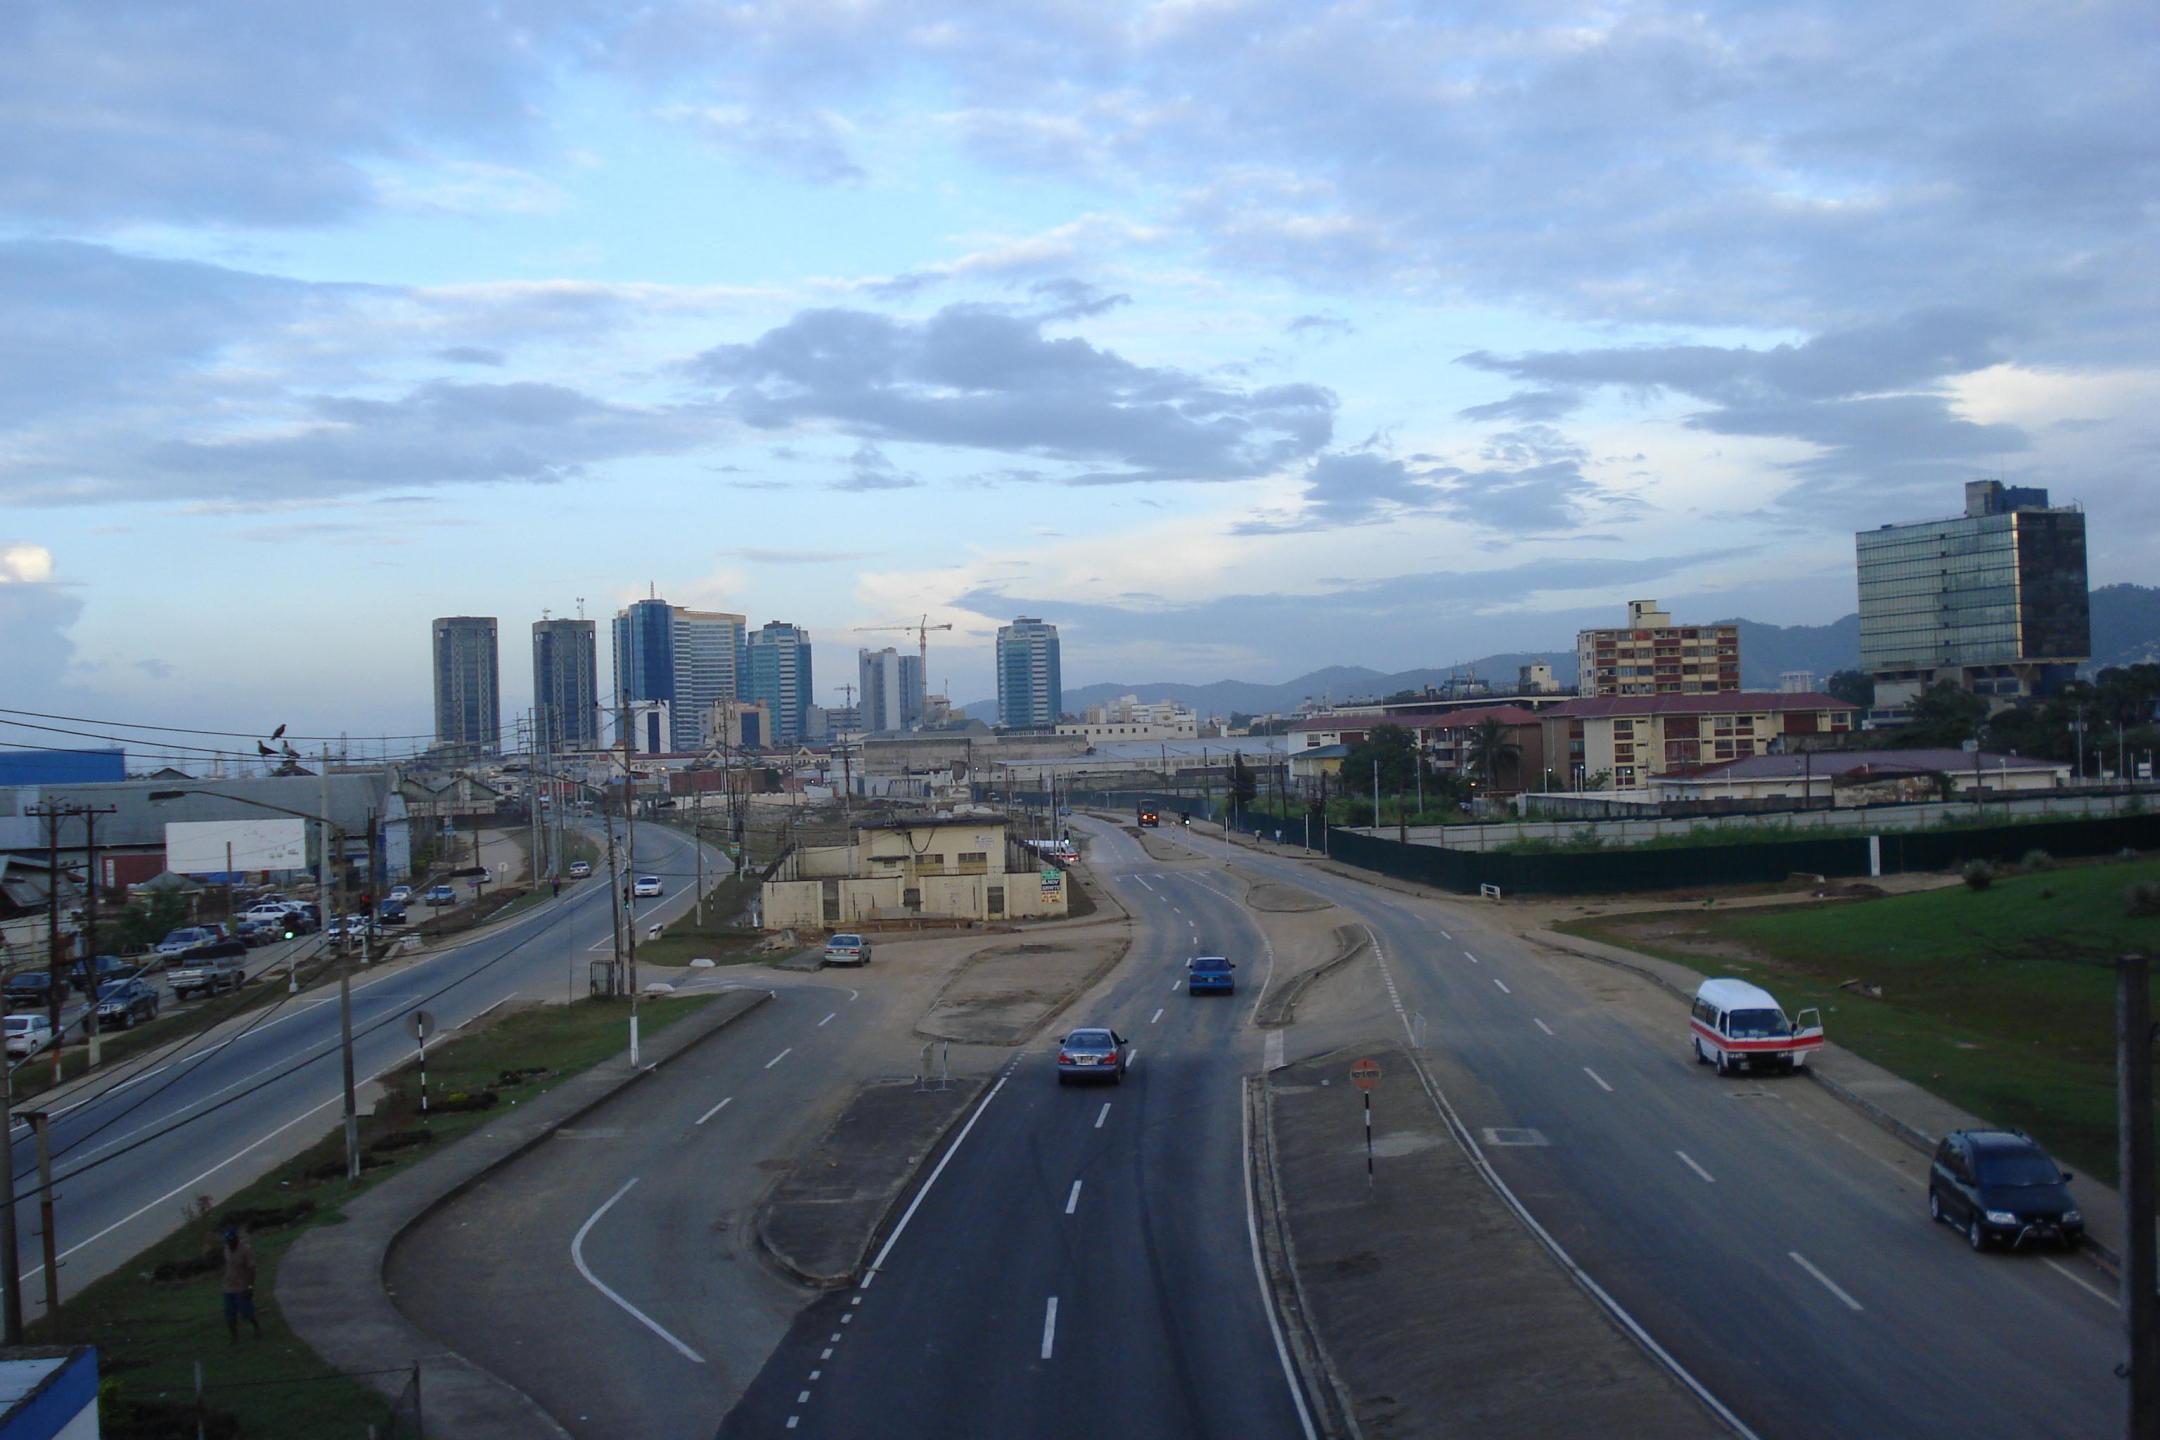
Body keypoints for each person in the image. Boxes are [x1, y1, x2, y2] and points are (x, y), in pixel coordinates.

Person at [221, 1226, 260, 1341]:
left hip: (242, 1286)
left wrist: (250, 1287)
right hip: (228, 1286)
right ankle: (234, 1337)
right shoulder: (226, 1248)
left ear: (236, 1239)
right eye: (227, 1241)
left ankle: (257, 1328)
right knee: (229, 1314)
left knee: (247, 1311)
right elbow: (228, 1265)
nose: (229, 1243)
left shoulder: (246, 1250)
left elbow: (252, 1269)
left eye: (231, 1241)